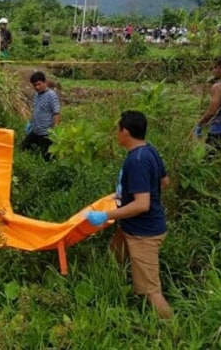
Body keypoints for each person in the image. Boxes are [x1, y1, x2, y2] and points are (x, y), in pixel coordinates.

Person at [85, 110, 173, 319]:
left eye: (118, 129)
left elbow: (142, 205)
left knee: (151, 290)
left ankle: (173, 332)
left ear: (125, 132)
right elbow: (164, 182)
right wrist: (128, 192)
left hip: (144, 233)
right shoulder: (149, 151)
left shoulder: (136, 161)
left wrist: (106, 215)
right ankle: (117, 294)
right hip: (131, 228)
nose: (116, 133)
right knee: (114, 257)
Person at [21, 71, 61, 160]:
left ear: (45, 82)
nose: (37, 87)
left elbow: (56, 113)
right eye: (35, 85)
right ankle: (33, 158)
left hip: (46, 133)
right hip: (36, 130)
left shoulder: (51, 95)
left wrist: (55, 130)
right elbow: (36, 110)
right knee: (24, 146)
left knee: (47, 157)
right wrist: (31, 123)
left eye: (39, 84)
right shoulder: (36, 95)